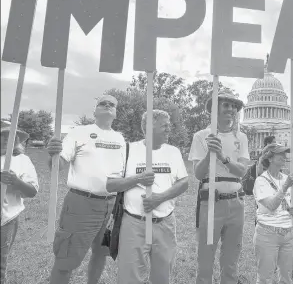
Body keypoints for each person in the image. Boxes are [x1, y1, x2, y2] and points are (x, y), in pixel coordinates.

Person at [46, 95, 126, 284]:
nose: (107, 105)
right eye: (102, 103)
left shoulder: (120, 138)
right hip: (81, 204)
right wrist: (53, 154)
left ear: (115, 113)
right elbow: (58, 166)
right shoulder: (78, 132)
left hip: (111, 206)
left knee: (101, 253)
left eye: (112, 105)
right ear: (95, 111)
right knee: (66, 258)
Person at [106, 109, 189, 284]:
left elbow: (184, 183)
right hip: (134, 223)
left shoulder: (173, 152)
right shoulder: (128, 150)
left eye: (169, 126)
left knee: (162, 277)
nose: (169, 130)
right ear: (148, 127)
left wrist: (159, 198)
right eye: (164, 126)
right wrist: (138, 179)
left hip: (164, 224)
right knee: (129, 278)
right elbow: (111, 185)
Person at [189, 91, 249, 284]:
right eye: (226, 105)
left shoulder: (241, 137)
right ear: (214, 109)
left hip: (236, 202)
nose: (231, 109)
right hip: (211, 201)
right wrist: (210, 154)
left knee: (231, 258)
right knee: (205, 258)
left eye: (234, 106)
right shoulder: (201, 136)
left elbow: (242, 171)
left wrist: (223, 156)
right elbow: (198, 174)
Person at [253, 144, 293, 284]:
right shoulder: (261, 181)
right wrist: (285, 186)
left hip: (289, 234)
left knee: (286, 278)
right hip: (267, 233)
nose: (284, 156)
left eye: (285, 153)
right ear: (270, 157)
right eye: (280, 153)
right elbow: (271, 206)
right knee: (265, 278)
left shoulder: (287, 177)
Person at [0, 121, 39, 284]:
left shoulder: (22, 160)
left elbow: (32, 192)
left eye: (9, 136)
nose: (5, 139)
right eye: (2, 135)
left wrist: (15, 181)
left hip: (6, 218)